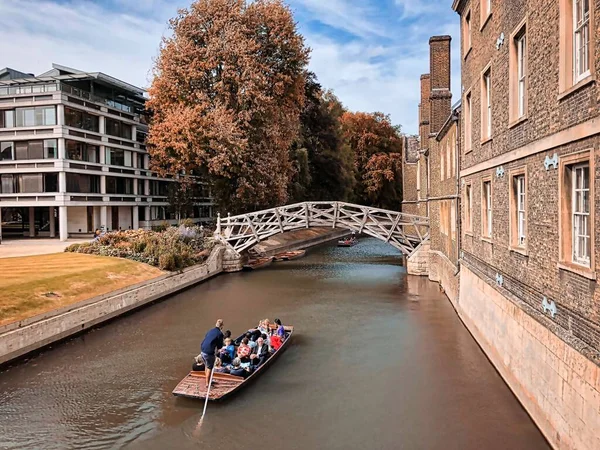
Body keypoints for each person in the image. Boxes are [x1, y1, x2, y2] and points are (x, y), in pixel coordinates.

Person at [200, 319, 224, 387]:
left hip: (203, 350)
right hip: (209, 352)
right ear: (222, 326)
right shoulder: (220, 334)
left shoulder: (210, 331)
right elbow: (219, 346)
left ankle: (208, 380)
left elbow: (207, 338)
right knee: (210, 367)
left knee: (206, 366)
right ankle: (208, 384)